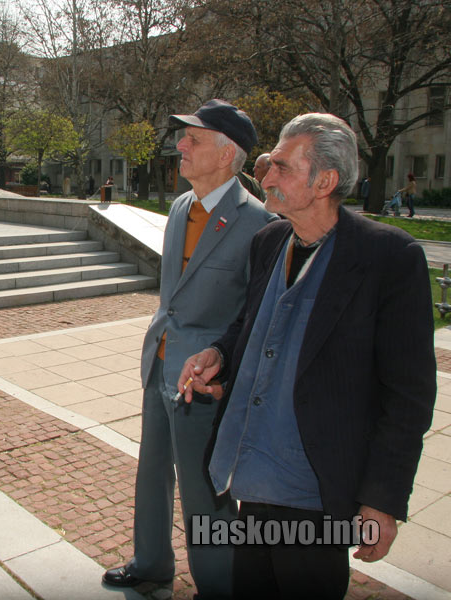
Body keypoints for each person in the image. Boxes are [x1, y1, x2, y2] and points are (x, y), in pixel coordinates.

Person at [178, 113, 436, 599]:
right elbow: (252, 325)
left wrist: (382, 499)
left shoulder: (388, 258)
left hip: (316, 493)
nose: (266, 177)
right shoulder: (269, 241)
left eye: (280, 167)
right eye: (267, 164)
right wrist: (220, 355)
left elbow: (409, 396)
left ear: (326, 181)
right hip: (249, 479)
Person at [102, 99, 276, 598]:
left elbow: (253, 318)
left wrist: (222, 369)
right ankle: (152, 563)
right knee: (152, 472)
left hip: (205, 382)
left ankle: (219, 586)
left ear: (227, 155)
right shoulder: (180, 206)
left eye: (193, 139)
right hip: (159, 365)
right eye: (184, 137)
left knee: (206, 493)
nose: (181, 145)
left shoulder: (259, 223)